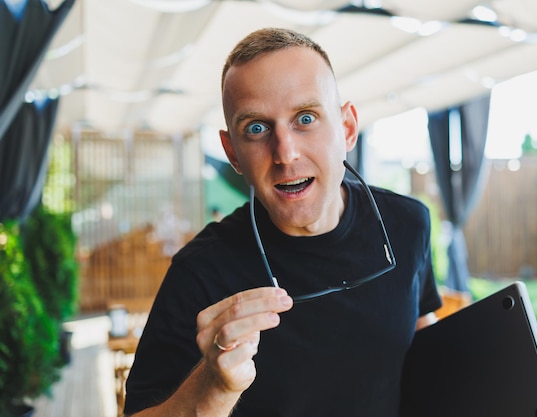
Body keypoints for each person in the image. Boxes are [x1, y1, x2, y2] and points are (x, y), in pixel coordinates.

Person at [123, 27, 442, 417]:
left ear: (347, 129)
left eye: (305, 118)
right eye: (256, 128)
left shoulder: (408, 224)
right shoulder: (199, 271)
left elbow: (423, 341)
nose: (285, 153)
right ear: (233, 153)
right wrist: (213, 386)